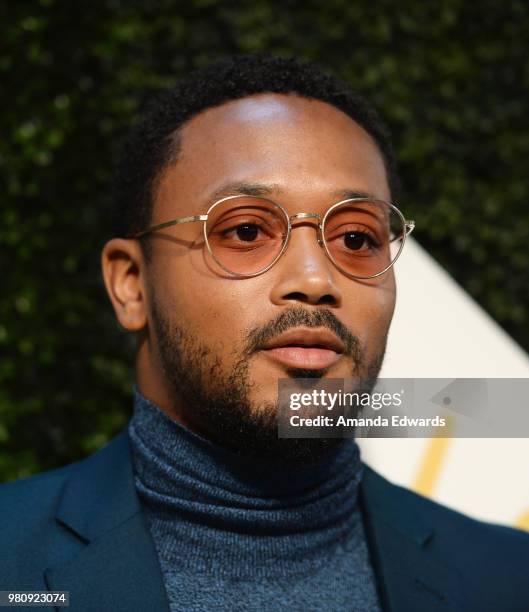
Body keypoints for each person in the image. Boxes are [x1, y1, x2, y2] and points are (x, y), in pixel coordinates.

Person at [1, 55, 528, 612]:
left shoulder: (508, 578)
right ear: (132, 284)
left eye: (355, 238)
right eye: (246, 230)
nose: (315, 279)